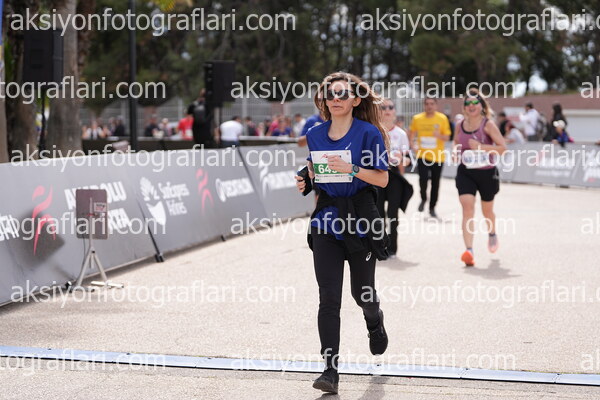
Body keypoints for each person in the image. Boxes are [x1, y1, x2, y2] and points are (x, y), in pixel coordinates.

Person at [295, 71, 389, 394]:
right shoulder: (314, 134)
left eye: (341, 94)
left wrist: (351, 169)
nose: (335, 99)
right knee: (328, 297)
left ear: (355, 100)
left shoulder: (368, 133)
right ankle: (330, 371)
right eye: (330, 94)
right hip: (326, 221)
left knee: (362, 293)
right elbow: (317, 170)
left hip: (360, 220)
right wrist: (306, 179)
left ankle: (374, 321)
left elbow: (382, 179)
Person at [453, 89, 506, 267]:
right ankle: (469, 250)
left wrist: (481, 147)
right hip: (466, 171)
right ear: (464, 108)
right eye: (468, 103)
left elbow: (502, 148)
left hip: (487, 173)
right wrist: (455, 151)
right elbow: (456, 142)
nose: (471, 106)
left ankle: (492, 232)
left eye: (475, 103)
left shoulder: (488, 125)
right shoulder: (460, 124)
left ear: (482, 106)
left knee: (487, 211)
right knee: (467, 209)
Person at [376, 98, 413, 258]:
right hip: (377, 175)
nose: (387, 110)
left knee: (393, 213)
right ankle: (379, 246)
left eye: (390, 107)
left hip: (395, 176)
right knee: (377, 212)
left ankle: (392, 248)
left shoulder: (401, 134)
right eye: (383, 107)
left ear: (395, 112)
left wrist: (401, 159)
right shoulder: (373, 131)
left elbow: (408, 160)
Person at [408, 97, 451, 218]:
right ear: (424, 105)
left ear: (436, 105)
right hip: (422, 155)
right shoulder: (417, 118)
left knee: (435, 183)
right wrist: (412, 145)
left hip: (438, 157)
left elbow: (447, 137)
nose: (429, 106)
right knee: (423, 180)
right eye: (427, 104)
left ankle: (432, 207)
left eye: (432, 104)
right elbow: (411, 133)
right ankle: (423, 198)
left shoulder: (442, 118)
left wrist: (439, 135)